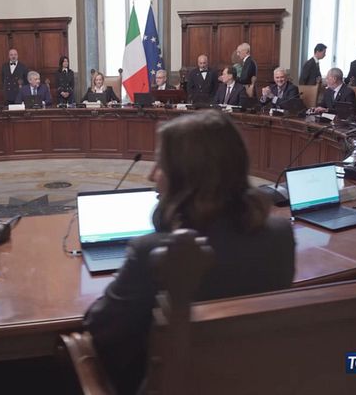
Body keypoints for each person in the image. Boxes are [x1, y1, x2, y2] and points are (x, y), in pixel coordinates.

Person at [84, 110, 295, 394]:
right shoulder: (280, 235)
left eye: (160, 164)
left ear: (187, 176)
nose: (150, 174)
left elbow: (99, 329)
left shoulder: (154, 251)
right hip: (253, 382)